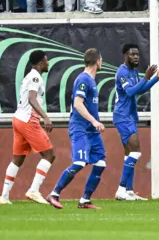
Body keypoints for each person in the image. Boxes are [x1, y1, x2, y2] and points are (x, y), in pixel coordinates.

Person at [45, 49, 106, 210]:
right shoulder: (83, 79)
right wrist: (94, 121)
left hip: (91, 130)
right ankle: (54, 194)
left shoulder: (91, 80)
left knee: (100, 163)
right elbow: (77, 103)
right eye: (101, 60)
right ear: (98, 61)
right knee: (79, 162)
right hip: (80, 128)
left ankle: (85, 200)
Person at [0, 50, 54, 205]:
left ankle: (4, 196)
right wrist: (45, 117)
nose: (48, 63)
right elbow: (31, 98)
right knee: (49, 155)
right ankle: (34, 190)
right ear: (40, 62)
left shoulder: (30, 76)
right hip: (29, 120)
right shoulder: (35, 76)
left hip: (18, 119)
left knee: (18, 159)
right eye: (46, 60)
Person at [114, 44, 159, 200]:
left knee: (129, 154)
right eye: (132, 54)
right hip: (123, 117)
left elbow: (140, 90)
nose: (136, 57)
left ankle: (129, 191)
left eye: (137, 54)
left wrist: (156, 78)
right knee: (136, 151)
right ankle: (121, 189)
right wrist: (146, 77)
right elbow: (130, 92)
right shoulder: (122, 72)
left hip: (129, 116)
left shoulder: (133, 72)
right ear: (125, 56)